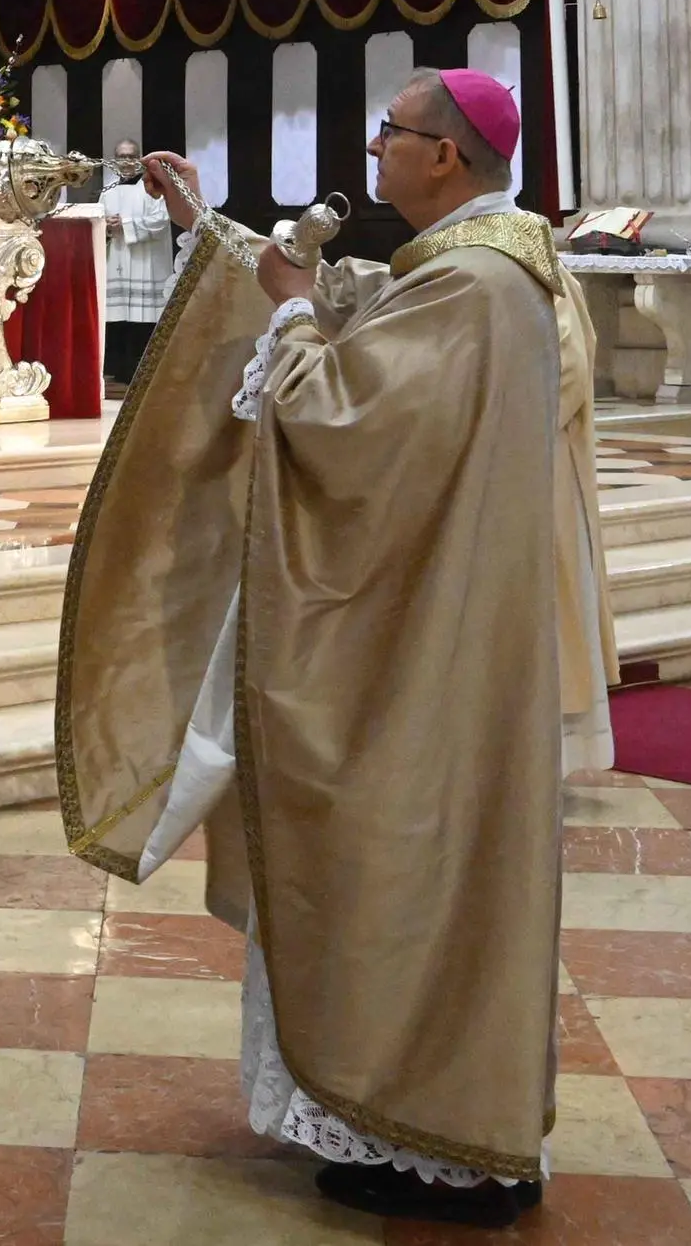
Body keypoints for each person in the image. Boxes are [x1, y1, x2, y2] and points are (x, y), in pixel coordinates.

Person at [55, 68, 584, 1222]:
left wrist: (292, 310)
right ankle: (388, 1118)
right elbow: (352, 306)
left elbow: (342, 411)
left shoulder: (481, 284)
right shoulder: (468, 269)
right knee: (398, 861)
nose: (377, 147)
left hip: (419, 650)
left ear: (445, 155)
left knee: (408, 859)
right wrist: (222, 238)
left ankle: (433, 1124)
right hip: (423, 624)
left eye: (392, 131)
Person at [97, 140, 179, 389]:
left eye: (131, 156)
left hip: (146, 264)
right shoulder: (107, 191)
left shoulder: (153, 188)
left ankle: (142, 372)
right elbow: (97, 227)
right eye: (121, 157)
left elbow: (161, 220)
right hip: (118, 262)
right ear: (114, 160)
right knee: (119, 318)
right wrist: (107, 228)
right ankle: (116, 370)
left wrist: (126, 223)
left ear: (140, 158)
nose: (126, 161)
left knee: (142, 320)